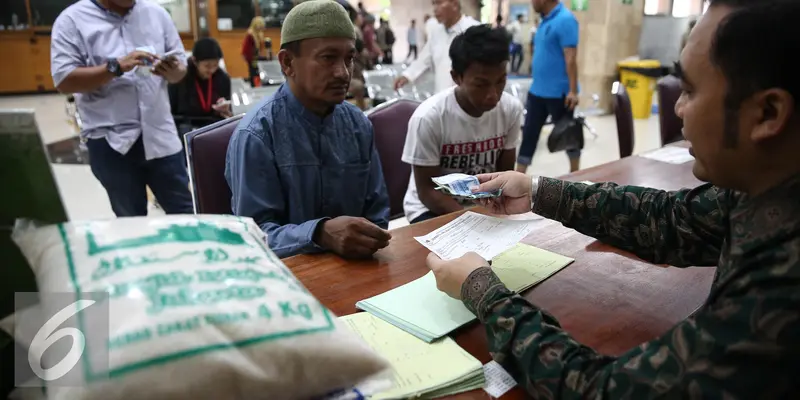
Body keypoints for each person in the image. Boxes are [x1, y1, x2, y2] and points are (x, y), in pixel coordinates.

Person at [426, 0, 800, 396]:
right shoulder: (762, 191)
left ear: (767, 113)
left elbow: (599, 390)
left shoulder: (780, 286)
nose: (677, 107)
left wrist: (484, 292)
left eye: (689, 89)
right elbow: (672, 220)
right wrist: (538, 191)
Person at [226, 0, 391, 259]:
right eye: (328, 58)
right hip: (286, 280)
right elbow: (253, 237)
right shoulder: (258, 135)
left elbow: (378, 214)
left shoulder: (358, 126)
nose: (342, 73)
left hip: (356, 272)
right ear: (288, 63)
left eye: (349, 59)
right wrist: (319, 234)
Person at [50, 0, 193, 217]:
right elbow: (64, 80)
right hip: (111, 143)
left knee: (185, 213)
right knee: (131, 222)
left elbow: (180, 71)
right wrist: (115, 67)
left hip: (160, 135)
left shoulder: (156, 14)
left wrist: (171, 70)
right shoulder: (72, 20)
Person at [402, 25, 522, 224]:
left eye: (500, 81)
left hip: (483, 205)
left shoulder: (510, 109)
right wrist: (473, 219)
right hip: (431, 209)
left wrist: (495, 212)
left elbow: (504, 176)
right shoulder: (429, 118)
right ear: (456, 77)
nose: (493, 94)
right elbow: (427, 191)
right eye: (481, 84)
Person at [517, 0, 581, 174]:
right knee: (529, 135)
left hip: (559, 93)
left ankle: (576, 174)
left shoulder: (566, 19)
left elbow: (571, 58)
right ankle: (517, 176)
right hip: (537, 90)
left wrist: (573, 91)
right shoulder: (544, 20)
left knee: (569, 135)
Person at [394, 0, 479, 94]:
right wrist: (407, 76)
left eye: (439, 3)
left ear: (454, 5)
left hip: (468, 99)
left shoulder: (474, 30)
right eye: (433, 4)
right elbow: (424, 59)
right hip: (441, 97)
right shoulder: (436, 32)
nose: (435, 9)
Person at [168, 38, 233, 154]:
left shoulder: (222, 78)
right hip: (185, 125)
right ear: (194, 61)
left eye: (216, 65)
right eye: (207, 66)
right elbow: (171, 113)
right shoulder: (180, 77)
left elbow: (229, 115)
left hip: (212, 124)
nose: (212, 70)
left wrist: (225, 111)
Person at [242, 16, 266, 87]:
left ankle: (257, 85)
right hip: (251, 58)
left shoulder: (259, 34)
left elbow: (261, 48)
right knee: (253, 74)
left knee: (257, 73)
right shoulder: (250, 34)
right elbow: (246, 49)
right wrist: (251, 59)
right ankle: (254, 87)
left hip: (256, 57)